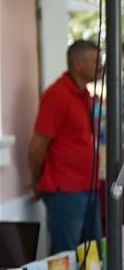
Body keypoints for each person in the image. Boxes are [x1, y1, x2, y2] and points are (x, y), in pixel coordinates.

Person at [27, 40, 102, 254]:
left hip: (89, 186)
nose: (100, 66)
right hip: (66, 191)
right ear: (77, 64)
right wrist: (36, 181)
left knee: (92, 255)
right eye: (95, 61)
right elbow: (36, 147)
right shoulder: (58, 95)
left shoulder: (84, 94)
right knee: (65, 257)